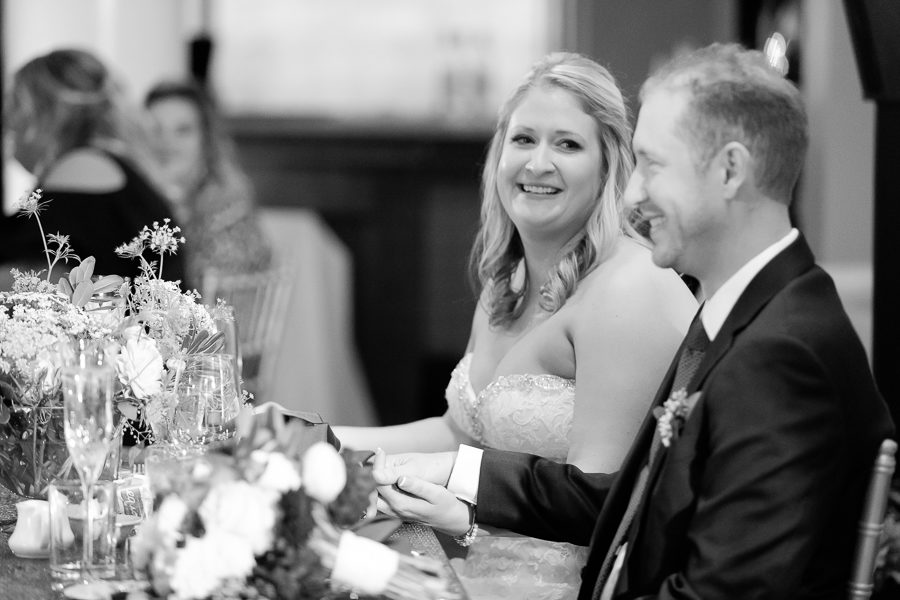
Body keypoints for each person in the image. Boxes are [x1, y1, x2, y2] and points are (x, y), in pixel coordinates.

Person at [373, 43, 895, 600]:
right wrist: (456, 480)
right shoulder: (747, 313)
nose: (634, 193)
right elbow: (617, 498)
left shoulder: (781, 354)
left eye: (652, 165)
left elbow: (724, 591)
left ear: (730, 171)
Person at [336, 53, 697, 599]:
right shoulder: (506, 283)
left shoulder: (629, 289)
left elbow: (603, 505)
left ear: (609, 167)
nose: (538, 163)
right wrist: (321, 438)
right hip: (472, 566)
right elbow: (461, 433)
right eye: (524, 139)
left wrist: (460, 505)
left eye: (568, 144)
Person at [0, 48, 188, 287]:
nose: (8, 122)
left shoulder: (80, 167)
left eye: (14, 106)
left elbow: (28, 280)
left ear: (40, 113)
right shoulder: (109, 166)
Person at [144, 80, 272, 289]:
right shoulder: (137, 199)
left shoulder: (227, 204)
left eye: (183, 130)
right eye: (155, 129)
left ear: (207, 139)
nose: (166, 141)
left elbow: (200, 287)